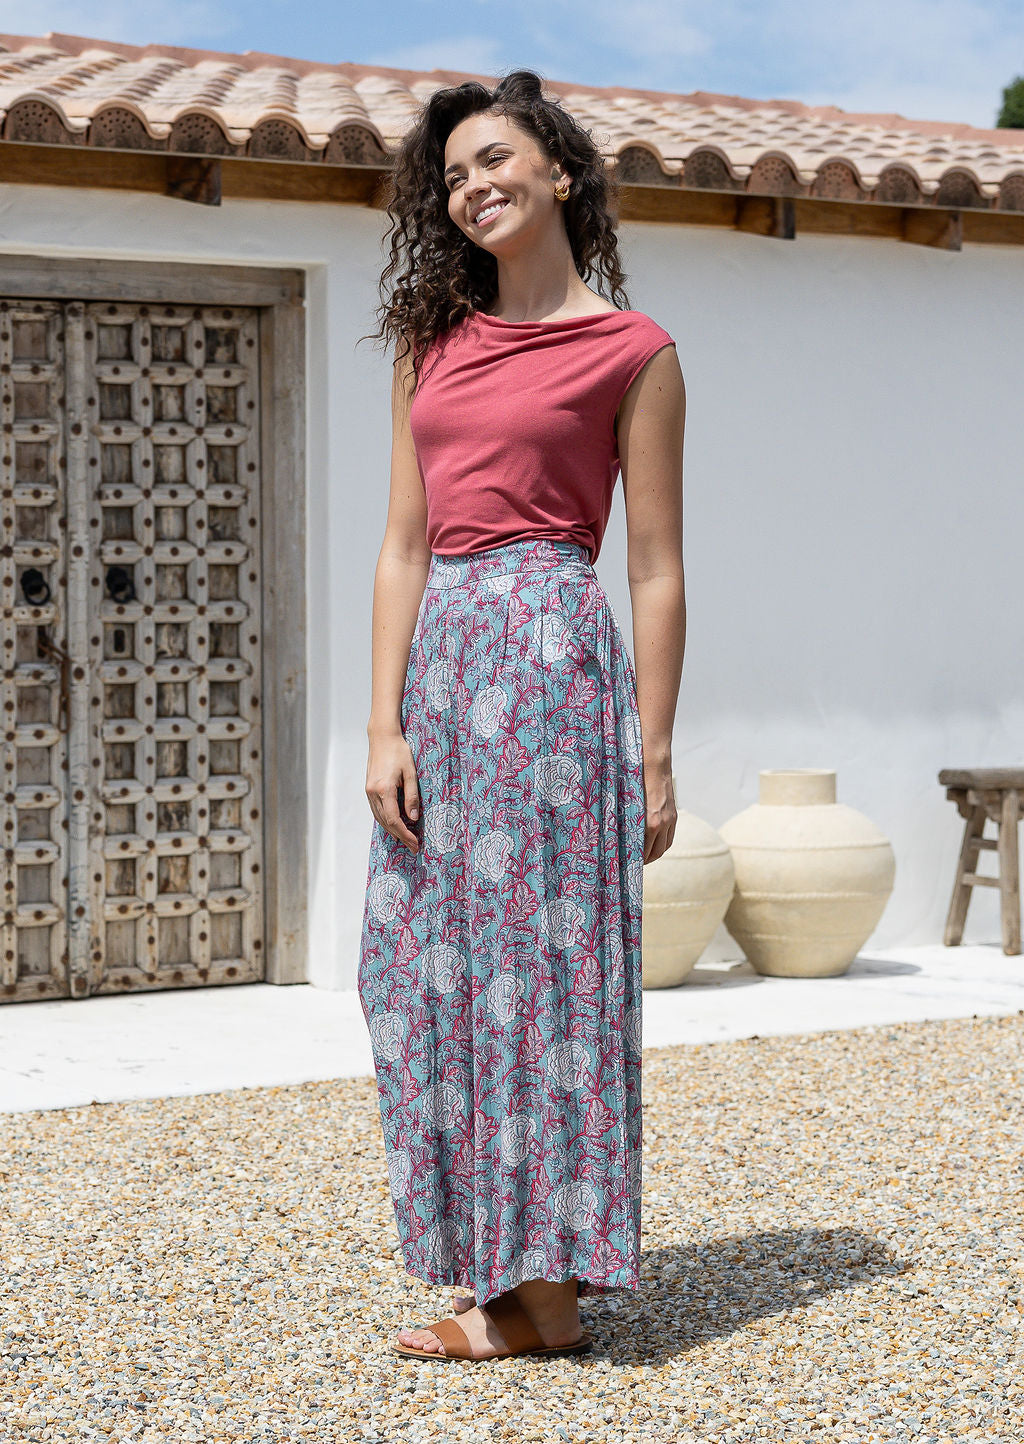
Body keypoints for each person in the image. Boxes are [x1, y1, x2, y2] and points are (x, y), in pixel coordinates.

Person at [356, 68, 686, 1362]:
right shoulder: (431, 348)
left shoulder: (634, 352)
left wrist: (653, 753)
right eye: (454, 176)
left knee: (542, 979)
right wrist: (382, 725)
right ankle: (497, 1258)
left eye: (497, 159)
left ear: (560, 172)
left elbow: (655, 563)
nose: (474, 185)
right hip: (444, 673)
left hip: (555, 669)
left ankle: (537, 1293)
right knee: (416, 971)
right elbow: (401, 547)